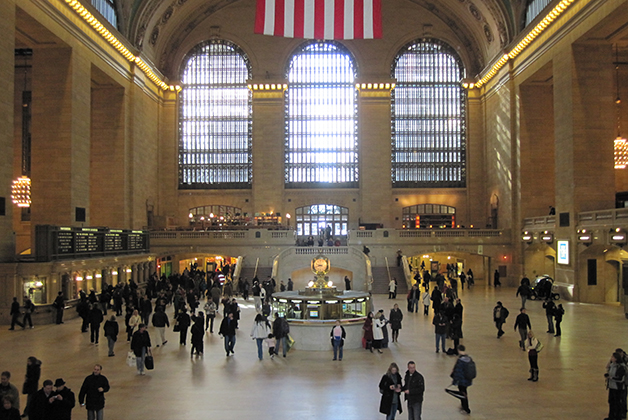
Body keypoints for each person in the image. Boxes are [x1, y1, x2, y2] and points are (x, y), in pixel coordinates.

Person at [450, 345, 474, 414]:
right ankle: (463, 406)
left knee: (463, 394)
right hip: (467, 379)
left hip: (462, 381)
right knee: (464, 392)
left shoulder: (460, 360)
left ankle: (466, 408)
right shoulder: (469, 358)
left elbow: (458, 372)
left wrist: (454, 381)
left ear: (458, 350)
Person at [606, 351, 627, 420]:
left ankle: (618, 417)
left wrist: (611, 378)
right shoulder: (612, 365)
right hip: (612, 387)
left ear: (616, 358)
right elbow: (608, 369)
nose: (611, 358)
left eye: (612, 357)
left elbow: (620, 379)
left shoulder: (621, 367)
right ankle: (611, 416)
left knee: (617, 402)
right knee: (611, 402)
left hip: (618, 388)